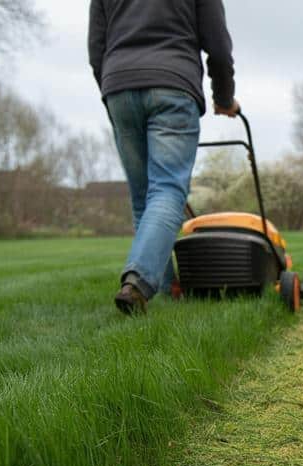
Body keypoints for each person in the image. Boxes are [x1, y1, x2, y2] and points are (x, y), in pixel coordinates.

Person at [89, 0, 240, 315]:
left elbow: (96, 47)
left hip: (119, 86)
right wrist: (224, 97)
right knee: (168, 190)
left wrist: (114, 87)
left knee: (144, 198)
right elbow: (219, 46)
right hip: (173, 84)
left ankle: (171, 289)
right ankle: (139, 281)